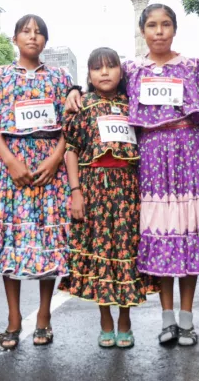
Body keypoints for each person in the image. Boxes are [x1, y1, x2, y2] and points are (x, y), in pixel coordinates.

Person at [65, 4, 199, 347]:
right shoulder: (132, 68)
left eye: (165, 25)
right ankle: (166, 320)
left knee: (190, 237)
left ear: (174, 29)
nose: (159, 31)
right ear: (143, 31)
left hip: (189, 154)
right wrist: (73, 88)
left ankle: (187, 320)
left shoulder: (193, 67)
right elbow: (106, 87)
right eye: (151, 25)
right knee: (161, 236)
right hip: (149, 159)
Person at [0, 14, 71, 349]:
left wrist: (55, 158)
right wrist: (10, 161)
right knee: (10, 239)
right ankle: (14, 318)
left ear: (45, 40)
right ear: (15, 38)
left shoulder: (60, 76)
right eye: (26, 31)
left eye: (39, 32)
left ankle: (43, 315)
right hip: (9, 165)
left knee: (47, 240)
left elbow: (69, 124)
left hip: (49, 165)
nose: (33, 36)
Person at [58, 47, 156, 349]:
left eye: (111, 67)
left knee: (125, 250)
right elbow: (71, 148)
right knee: (100, 250)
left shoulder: (133, 106)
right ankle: (105, 320)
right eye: (97, 68)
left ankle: (125, 320)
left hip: (128, 188)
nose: (104, 73)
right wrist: (76, 192)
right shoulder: (81, 106)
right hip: (92, 187)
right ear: (88, 74)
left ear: (121, 72)